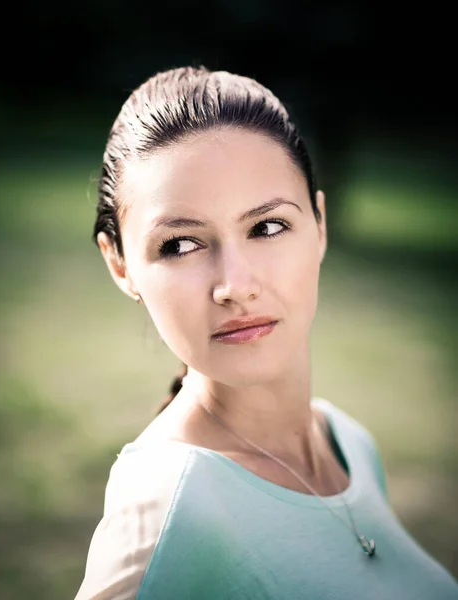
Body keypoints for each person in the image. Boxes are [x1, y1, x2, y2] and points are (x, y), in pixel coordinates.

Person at [74, 66, 458, 600]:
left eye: (268, 227)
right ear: (120, 265)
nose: (235, 286)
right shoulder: (166, 504)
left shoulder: (348, 444)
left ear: (319, 226)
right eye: (181, 244)